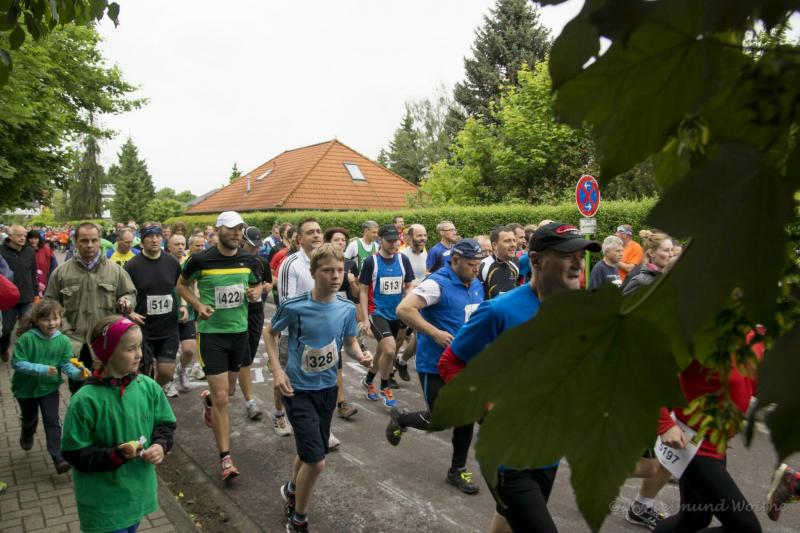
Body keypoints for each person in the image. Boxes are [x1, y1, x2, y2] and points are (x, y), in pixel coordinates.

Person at [438, 222, 600, 533]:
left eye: (581, 255)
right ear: (536, 260)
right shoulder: (498, 311)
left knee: (508, 524)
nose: (578, 264)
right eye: (567, 256)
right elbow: (450, 363)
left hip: (548, 454)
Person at [264, 244, 372, 533]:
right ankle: (298, 518)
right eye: (328, 271)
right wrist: (277, 370)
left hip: (327, 390)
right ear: (313, 273)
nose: (336, 276)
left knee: (309, 451)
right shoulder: (294, 306)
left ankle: (290, 489)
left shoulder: (346, 308)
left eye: (339, 270)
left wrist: (360, 355)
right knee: (317, 461)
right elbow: (270, 333)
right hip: (297, 390)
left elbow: (349, 342)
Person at [61, 315, 176, 533]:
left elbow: (165, 424)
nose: (140, 354)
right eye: (131, 349)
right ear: (108, 353)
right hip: (104, 505)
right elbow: (74, 453)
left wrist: (160, 445)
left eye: (140, 346)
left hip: (137, 497)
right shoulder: (85, 401)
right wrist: (116, 455)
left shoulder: (148, 387)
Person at [390, 239, 485, 494]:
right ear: (455, 260)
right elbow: (404, 309)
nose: (476, 269)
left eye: (479, 264)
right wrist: (434, 333)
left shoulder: (476, 284)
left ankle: (457, 470)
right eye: (471, 264)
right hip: (434, 365)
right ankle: (401, 419)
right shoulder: (436, 284)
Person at [177, 211, 262, 480]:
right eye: (231, 228)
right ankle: (225, 459)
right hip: (211, 334)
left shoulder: (249, 260)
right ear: (218, 230)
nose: (236, 233)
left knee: (230, 390)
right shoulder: (200, 260)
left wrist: (256, 292)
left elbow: (258, 286)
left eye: (239, 229)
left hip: (239, 333)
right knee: (224, 398)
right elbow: (182, 285)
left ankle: (209, 400)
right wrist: (198, 305)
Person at [652, 329, 763, 533]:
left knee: (694, 519)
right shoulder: (702, 334)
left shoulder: (754, 335)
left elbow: (752, 382)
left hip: (716, 444)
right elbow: (649, 373)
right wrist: (664, 423)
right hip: (692, 447)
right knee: (746, 529)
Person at [45, 222, 136, 394]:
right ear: (75, 241)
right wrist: (64, 328)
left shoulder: (115, 271)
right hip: (74, 343)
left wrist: (126, 301)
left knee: (107, 389)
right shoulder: (61, 272)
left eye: (94, 240)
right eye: (84, 241)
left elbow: (130, 294)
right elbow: (50, 304)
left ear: (99, 241)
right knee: (78, 390)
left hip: (105, 342)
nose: (89, 245)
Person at [11, 299, 85, 474]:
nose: (51, 323)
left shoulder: (63, 341)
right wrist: (41, 369)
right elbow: (17, 363)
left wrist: (78, 374)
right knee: (30, 419)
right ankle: (27, 434)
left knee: (52, 420)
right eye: (46, 319)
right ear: (37, 320)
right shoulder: (27, 339)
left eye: (55, 318)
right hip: (25, 389)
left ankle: (59, 458)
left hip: (49, 388)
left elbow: (66, 364)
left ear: (60, 319)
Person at [359, 224, 415, 408]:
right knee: (390, 350)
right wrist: (365, 318)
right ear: (380, 240)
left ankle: (368, 380)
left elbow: (409, 285)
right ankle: (385, 386)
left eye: (396, 241)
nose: (393, 244)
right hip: (377, 313)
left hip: (396, 314)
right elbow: (363, 290)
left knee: (382, 351)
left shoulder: (403, 260)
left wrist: (408, 304)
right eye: (389, 241)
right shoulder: (371, 262)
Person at [124, 224, 182, 394]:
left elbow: (182, 286)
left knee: (166, 372)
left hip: (168, 327)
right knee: (143, 373)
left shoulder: (172, 262)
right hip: (143, 329)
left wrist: (184, 306)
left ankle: (153, 392)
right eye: (150, 237)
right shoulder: (131, 266)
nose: (155, 240)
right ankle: (146, 397)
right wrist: (130, 313)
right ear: (142, 242)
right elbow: (123, 293)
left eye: (157, 236)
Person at [323, 227, 360, 419]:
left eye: (343, 240)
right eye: (336, 239)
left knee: (336, 358)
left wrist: (352, 282)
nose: (341, 243)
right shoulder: (321, 263)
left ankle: (341, 404)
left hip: (342, 315)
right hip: (323, 314)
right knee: (330, 359)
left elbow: (356, 294)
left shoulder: (350, 264)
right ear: (328, 242)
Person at [237, 225, 273, 420]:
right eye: (252, 245)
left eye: (258, 245)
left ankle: (235, 379)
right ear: (242, 241)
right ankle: (250, 402)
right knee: (243, 357)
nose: (256, 248)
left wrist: (264, 288)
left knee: (248, 356)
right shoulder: (233, 261)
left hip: (256, 312)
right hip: (237, 314)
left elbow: (269, 282)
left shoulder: (262, 261)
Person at [0, 224, 37, 361]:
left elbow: (33, 273)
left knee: (28, 326)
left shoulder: (30, 251)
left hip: (27, 296)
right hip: (8, 298)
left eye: (24, 235)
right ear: (10, 236)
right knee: (6, 329)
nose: (23, 238)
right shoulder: (1, 251)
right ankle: (3, 349)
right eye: (19, 235)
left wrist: (35, 292)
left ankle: (25, 355)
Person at [622, 230, 673, 297]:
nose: (671, 254)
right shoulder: (640, 281)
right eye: (666, 250)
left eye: (671, 250)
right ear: (651, 253)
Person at [479, 225, 520, 300]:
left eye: (514, 240)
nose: (513, 245)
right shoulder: (483, 266)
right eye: (507, 241)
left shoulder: (515, 265)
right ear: (494, 245)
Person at [26, 229, 57, 296]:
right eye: (31, 238)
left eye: (35, 238)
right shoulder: (25, 250)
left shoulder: (46, 248)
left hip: (45, 280)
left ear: (39, 239)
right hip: (30, 283)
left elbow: (54, 265)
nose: (33, 240)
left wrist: (51, 280)